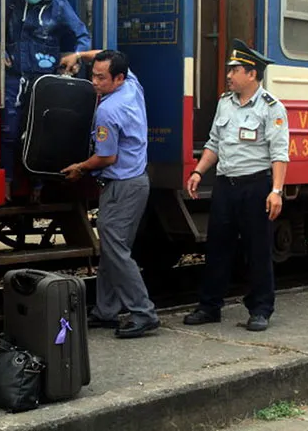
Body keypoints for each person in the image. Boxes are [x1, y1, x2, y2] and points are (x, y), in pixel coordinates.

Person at [183, 39, 289, 332]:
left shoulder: (272, 108)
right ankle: (210, 306)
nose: (229, 75)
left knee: (257, 249)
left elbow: (280, 154)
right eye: (230, 70)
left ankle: (261, 309)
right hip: (225, 186)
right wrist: (198, 171)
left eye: (236, 70)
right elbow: (214, 143)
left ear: (252, 74)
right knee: (217, 247)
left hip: (256, 186)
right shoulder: (224, 103)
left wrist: (276, 191)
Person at [62, 49, 159, 339]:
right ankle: (106, 310)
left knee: (115, 249)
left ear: (117, 78)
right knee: (114, 251)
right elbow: (108, 54)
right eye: (92, 74)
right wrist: (81, 54)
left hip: (122, 186)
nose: (94, 81)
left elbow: (106, 158)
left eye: (100, 78)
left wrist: (79, 168)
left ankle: (143, 313)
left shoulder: (108, 110)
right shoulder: (132, 84)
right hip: (135, 182)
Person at [2, 0, 91, 201]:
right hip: (15, 77)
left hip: (45, 80)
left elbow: (82, 34)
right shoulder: (11, 1)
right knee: (9, 130)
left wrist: (76, 56)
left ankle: (38, 184)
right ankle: (7, 181)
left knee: (42, 131)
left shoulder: (59, 7)